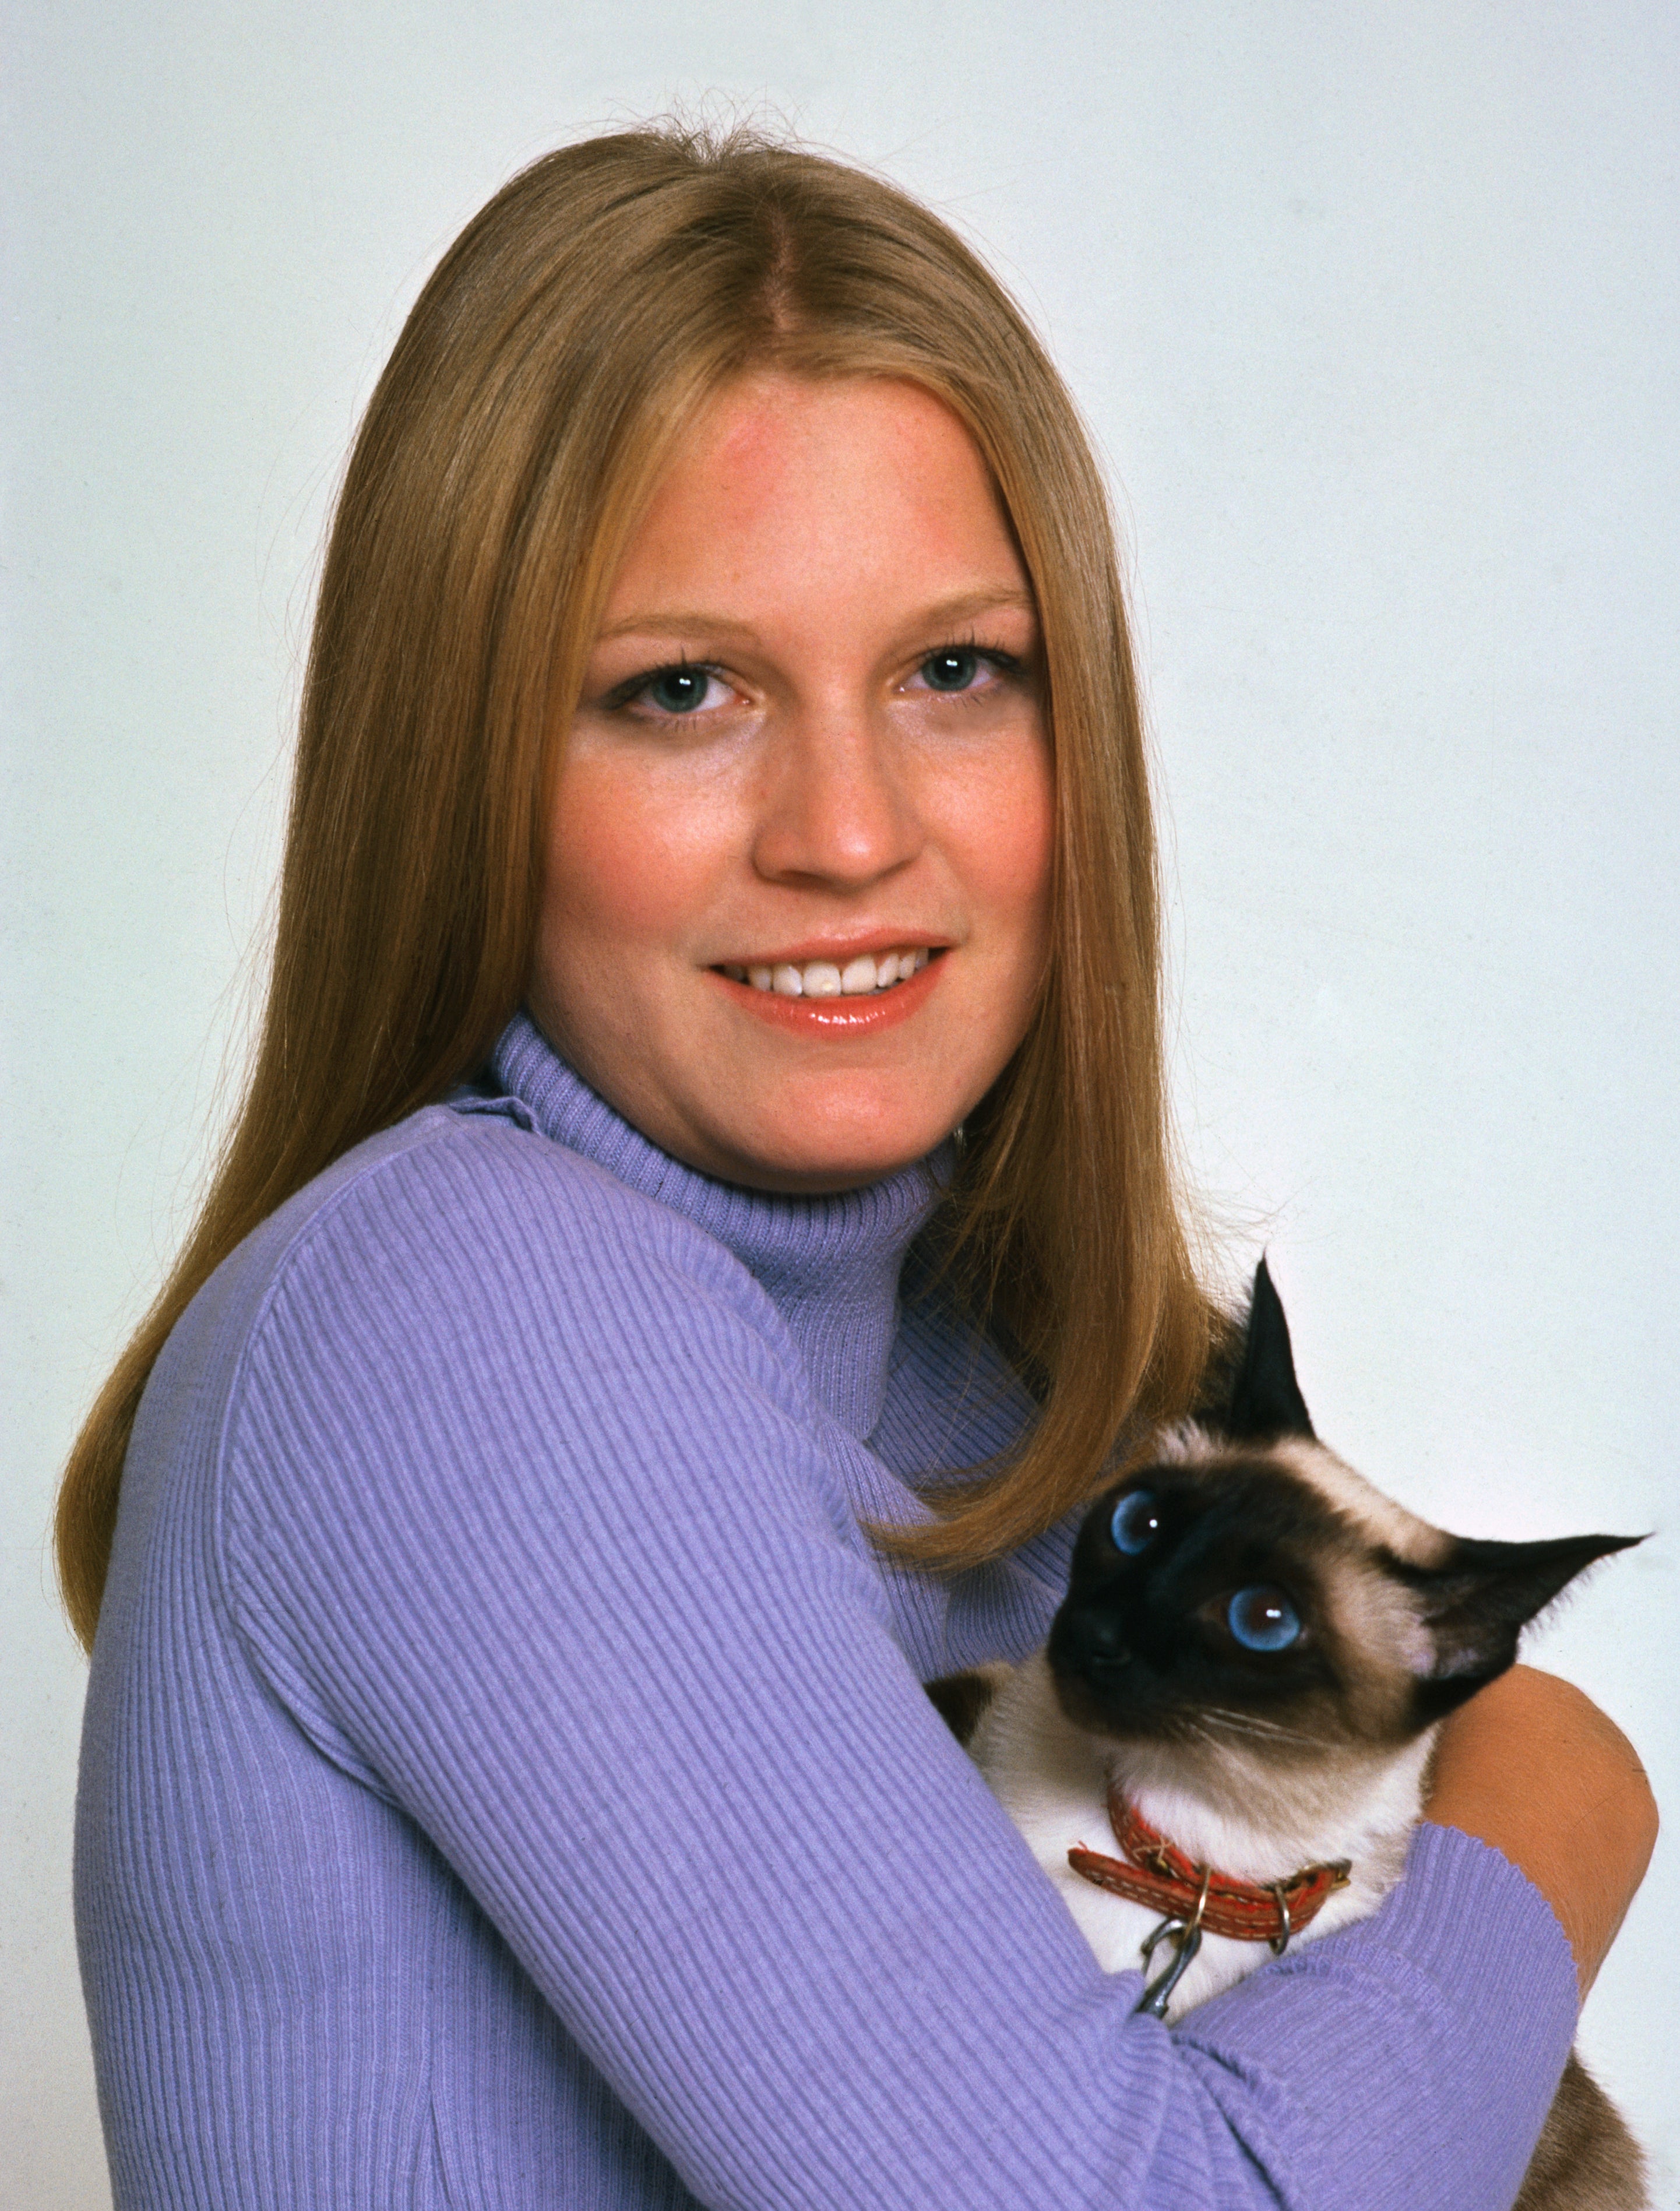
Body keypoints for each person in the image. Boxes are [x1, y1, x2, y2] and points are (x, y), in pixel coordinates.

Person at [59, 125, 1655, 2210]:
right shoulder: (473, 1298)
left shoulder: (1014, 1391)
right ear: (463, 763)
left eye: (951, 670)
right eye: (682, 687)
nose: (843, 826)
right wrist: (1548, 1806)